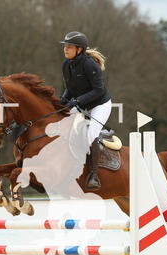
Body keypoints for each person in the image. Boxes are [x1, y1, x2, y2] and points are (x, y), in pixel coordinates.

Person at [59, 31, 112, 190]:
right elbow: (70, 89)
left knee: (90, 135)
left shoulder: (89, 65)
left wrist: (78, 101)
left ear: (79, 49)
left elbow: (99, 90)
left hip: (100, 105)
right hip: (81, 105)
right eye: (65, 46)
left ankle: (93, 175)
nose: (66, 49)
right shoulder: (66, 65)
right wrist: (61, 103)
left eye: (69, 47)